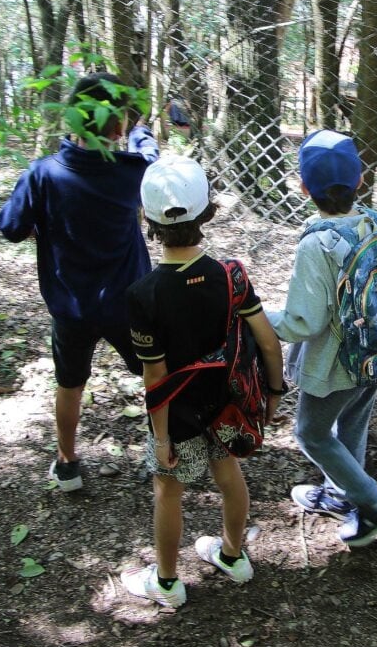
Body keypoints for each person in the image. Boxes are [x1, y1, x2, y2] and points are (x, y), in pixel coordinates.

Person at [120, 156, 284, 607]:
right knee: (229, 475)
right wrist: (273, 394)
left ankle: (168, 583)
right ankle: (233, 555)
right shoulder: (230, 275)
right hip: (228, 403)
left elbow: (155, 375)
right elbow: (268, 342)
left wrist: (160, 439)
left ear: (147, 219)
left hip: (180, 416)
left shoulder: (143, 294)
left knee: (168, 490)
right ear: (207, 211)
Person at [0, 72, 159, 492]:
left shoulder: (43, 173)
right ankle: (162, 455)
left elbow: (11, 226)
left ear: (72, 118)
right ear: (118, 126)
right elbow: (162, 176)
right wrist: (143, 137)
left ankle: (67, 463)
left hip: (72, 307)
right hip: (128, 304)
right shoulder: (133, 173)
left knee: (69, 383)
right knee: (154, 377)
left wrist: (43, 227)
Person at [266, 129, 377, 547]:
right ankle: (343, 496)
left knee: (310, 433)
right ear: (360, 181)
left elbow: (303, 323)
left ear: (304, 186)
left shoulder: (318, 245)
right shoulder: (371, 222)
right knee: (352, 421)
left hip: (336, 363)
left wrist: (255, 316)